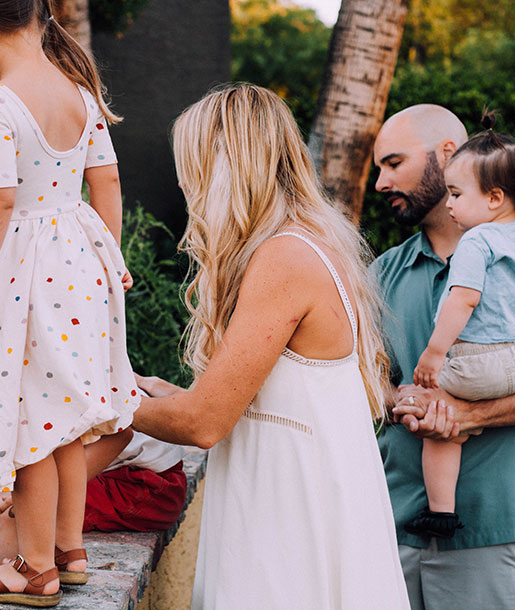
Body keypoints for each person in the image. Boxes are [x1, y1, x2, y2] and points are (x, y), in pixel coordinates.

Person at [132, 84, 410, 610]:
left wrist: (100, 403)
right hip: (293, 500)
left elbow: (204, 422)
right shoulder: (305, 242)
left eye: (192, 166)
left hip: (287, 520)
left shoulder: (284, 257)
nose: (185, 184)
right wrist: (155, 393)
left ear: (225, 166)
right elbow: (250, 402)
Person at [0, 0, 141, 606]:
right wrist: (108, 254)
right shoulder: (78, 91)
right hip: (78, 266)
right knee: (67, 425)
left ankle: (35, 569)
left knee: (28, 427)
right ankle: (72, 552)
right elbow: (105, 181)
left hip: (23, 278)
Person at [373, 104, 515, 610]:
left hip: (499, 525)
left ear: (449, 154)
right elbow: (362, 380)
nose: (380, 182)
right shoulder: (382, 272)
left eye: (393, 163)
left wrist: (471, 414)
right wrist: (401, 400)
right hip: (393, 526)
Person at [0, 303, 188, 586]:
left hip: (148, 487)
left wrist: (40, 491)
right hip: (124, 475)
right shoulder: (26, 372)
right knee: (4, 503)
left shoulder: (48, 379)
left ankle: (22, 585)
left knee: (9, 515)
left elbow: (121, 435)